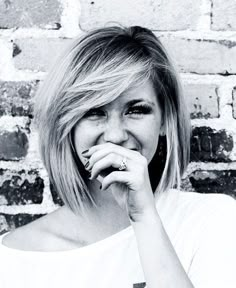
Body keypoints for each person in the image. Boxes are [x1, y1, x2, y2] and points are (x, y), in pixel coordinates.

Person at [0, 25, 235, 288]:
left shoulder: (211, 223)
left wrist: (144, 216)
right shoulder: (13, 260)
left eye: (135, 110)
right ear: (67, 124)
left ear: (164, 120)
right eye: (94, 112)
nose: (114, 136)